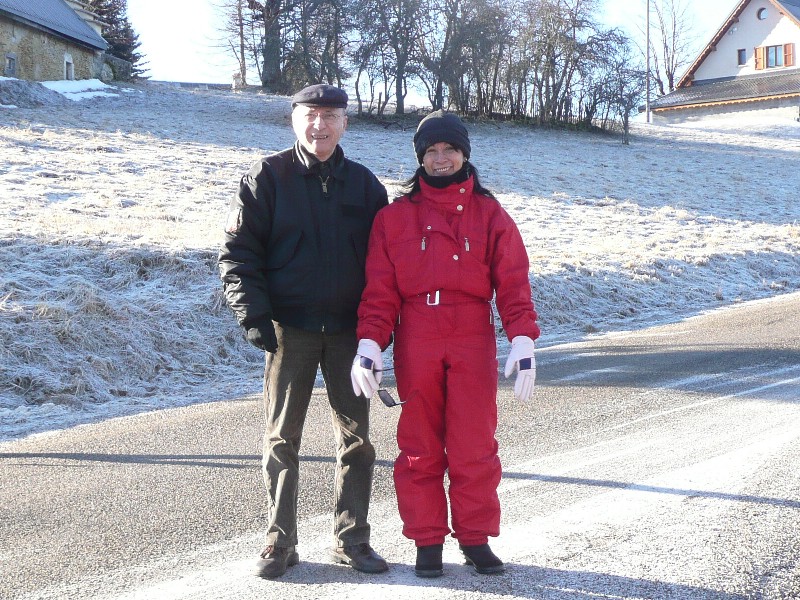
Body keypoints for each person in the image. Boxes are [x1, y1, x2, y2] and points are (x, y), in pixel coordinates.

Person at [350, 110, 539, 578]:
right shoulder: (394, 218)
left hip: (472, 331)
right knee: (420, 443)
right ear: (420, 157)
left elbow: (513, 281)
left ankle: (474, 538)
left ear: (464, 154)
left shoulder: (490, 214)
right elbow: (380, 291)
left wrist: (521, 337)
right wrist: (370, 343)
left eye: (449, 149)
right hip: (418, 332)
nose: (440, 158)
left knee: (474, 441)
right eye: (431, 151)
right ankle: (427, 540)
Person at [218, 84, 389, 579]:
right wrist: (253, 314)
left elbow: (385, 263)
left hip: (349, 335)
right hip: (288, 330)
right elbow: (238, 253)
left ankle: (352, 540)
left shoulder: (365, 185)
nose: (320, 125)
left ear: (345, 123)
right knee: (281, 439)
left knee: (357, 440)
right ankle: (280, 541)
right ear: (294, 120)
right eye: (311, 115)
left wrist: (379, 330)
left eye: (330, 116)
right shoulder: (267, 177)